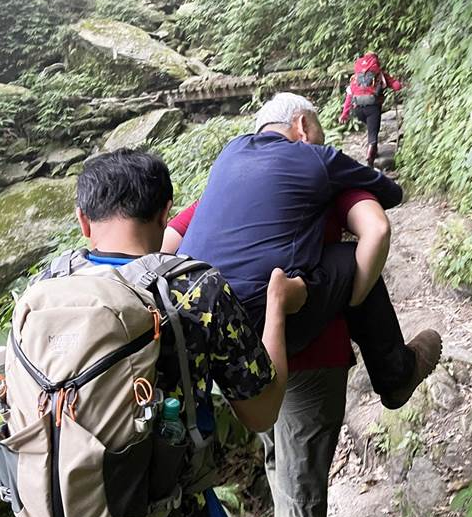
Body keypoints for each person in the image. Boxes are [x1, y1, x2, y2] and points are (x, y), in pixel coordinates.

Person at [45, 150, 305, 517]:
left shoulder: (49, 284)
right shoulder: (192, 290)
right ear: (167, 213)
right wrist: (279, 312)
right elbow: (261, 410)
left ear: (83, 222)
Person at [165, 188, 393, 517]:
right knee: (303, 502)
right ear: (300, 129)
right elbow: (374, 231)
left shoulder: (230, 198)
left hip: (247, 370)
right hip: (309, 368)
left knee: (283, 476)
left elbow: (169, 243)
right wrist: (351, 292)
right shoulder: (313, 181)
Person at [176, 92, 441, 412]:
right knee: (351, 258)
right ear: (302, 125)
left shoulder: (230, 153)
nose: (321, 139)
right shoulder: (314, 157)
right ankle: (396, 376)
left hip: (193, 323)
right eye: (320, 131)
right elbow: (391, 193)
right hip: (258, 322)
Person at [339, 52, 402, 166]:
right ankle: (370, 155)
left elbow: (349, 96)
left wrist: (344, 114)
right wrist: (397, 84)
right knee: (373, 132)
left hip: (357, 109)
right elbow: (397, 86)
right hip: (372, 107)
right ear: (376, 61)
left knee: (370, 126)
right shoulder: (380, 74)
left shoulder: (355, 77)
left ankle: (374, 151)